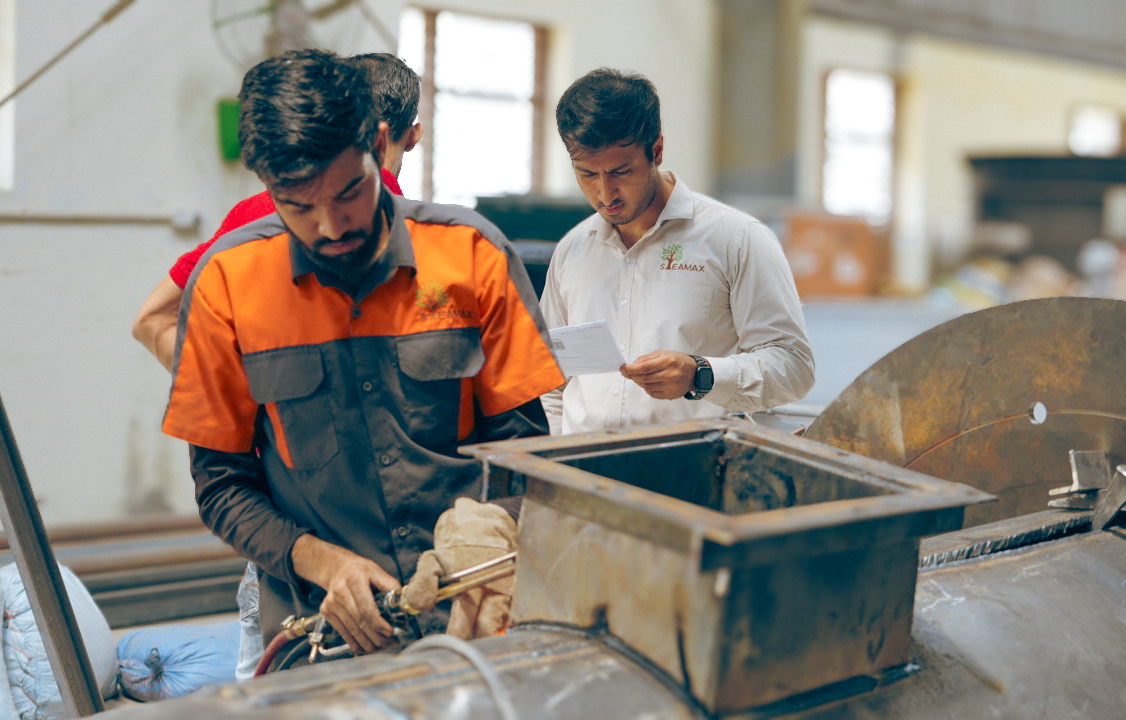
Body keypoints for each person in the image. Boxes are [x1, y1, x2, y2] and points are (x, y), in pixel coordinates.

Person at [160, 49, 563, 663]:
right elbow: (222, 486)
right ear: (266, 187)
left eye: (349, 191)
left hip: (473, 610)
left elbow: (522, 449)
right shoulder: (228, 285)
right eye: (299, 206)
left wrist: (489, 533)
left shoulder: (472, 257)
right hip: (318, 626)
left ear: (379, 144)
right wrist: (321, 560)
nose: (330, 225)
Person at [540, 69, 814, 434]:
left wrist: (700, 374)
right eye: (588, 174)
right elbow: (550, 378)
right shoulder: (572, 252)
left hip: (693, 474)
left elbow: (793, 367)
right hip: (584, 471)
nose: (606, 195)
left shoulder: (737, 239)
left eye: (622, 171)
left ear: (656, 150)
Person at [132, 52, 423, 371]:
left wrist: (230, 394)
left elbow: (151, 318)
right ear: (411, 136)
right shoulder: (435, 239)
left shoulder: (252, 214)